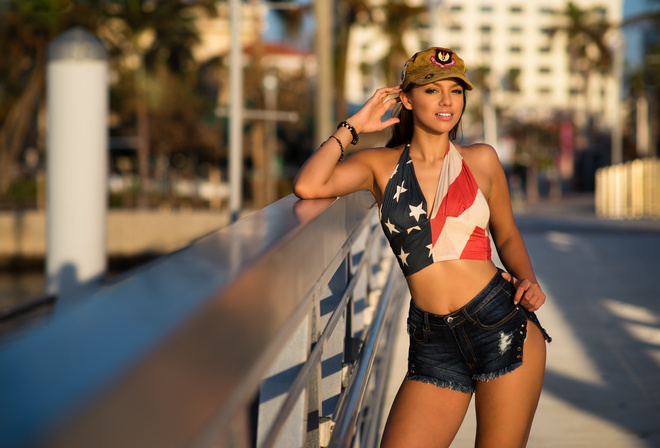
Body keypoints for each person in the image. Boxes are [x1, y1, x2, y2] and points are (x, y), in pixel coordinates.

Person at [293, 47, 551, 448]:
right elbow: (309, 185)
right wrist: (355, 125)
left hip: (501, 323)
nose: (447, 101)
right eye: (432, 90)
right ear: (407, 99)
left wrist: (528, 280)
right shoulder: (380, 165)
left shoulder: (481, 160)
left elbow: (507, 235)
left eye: (456, 90)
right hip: (433, 341)